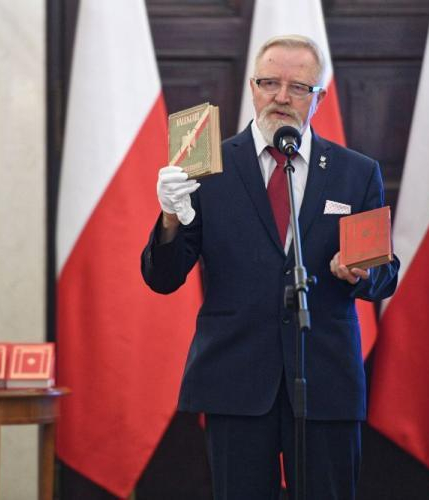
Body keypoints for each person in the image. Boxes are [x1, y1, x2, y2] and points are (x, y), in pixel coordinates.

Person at [141, 34, 400, 500]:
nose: (281, 97)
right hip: (235, 381)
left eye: (298, 87)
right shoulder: (206, 168)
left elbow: (386, 272)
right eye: (269, 83)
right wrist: (169, 216)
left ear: (318, 96)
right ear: (252, 87)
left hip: (325, 381)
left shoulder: (354, 172)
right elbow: (163, 278)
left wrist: (362, 271)